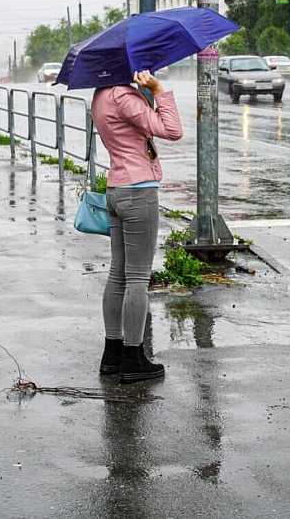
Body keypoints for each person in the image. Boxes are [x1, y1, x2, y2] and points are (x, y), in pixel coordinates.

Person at [92, 70, 183, 384]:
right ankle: (134, 357)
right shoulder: (123, 95)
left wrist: (144, 98)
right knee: (137, 278)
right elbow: (172, 130)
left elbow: (137, 131)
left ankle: (112, 353)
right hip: (138, 191)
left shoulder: (101, 95)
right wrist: (157, 90)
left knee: (118, 274)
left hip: (116, 188)